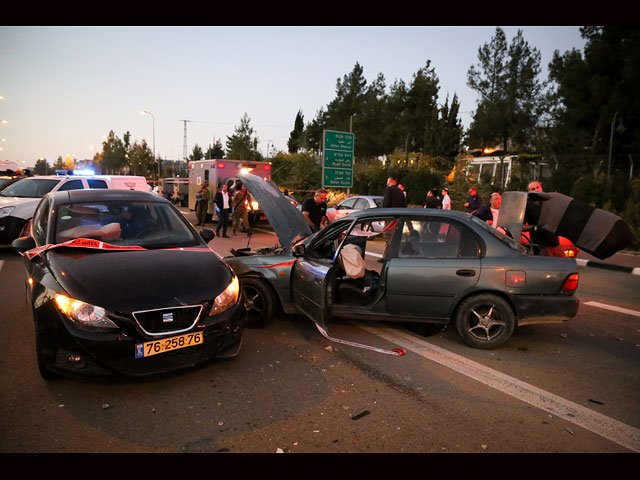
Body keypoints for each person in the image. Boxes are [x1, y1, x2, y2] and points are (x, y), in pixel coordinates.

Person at [524, 181, 562, 256]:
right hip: (540, 246)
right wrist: (534, 227)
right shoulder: (527, 205)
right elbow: (521, 227)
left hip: (555, 244)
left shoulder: (550, 201)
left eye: (537, 187)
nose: (536, 190)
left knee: (562, 266)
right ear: (529, 192)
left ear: (541, 188)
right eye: (533, 189)